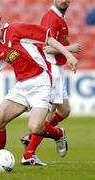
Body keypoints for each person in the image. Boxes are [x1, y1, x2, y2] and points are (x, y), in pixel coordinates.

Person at [0, 9, 78, 171]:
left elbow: (47, 37)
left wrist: (68, 54)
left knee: (35, 128)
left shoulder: (16, 30)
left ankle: (58, 134)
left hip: (41, 82)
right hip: (21, 86)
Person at [21, 0, 82, 163]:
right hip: (51, 70)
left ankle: (31, 136)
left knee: (65, 110)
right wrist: (69, 49)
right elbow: (46, 48)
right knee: (48, 114)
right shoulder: (51, 18)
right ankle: (29, 154)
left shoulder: (60, 18)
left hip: (58, 70)